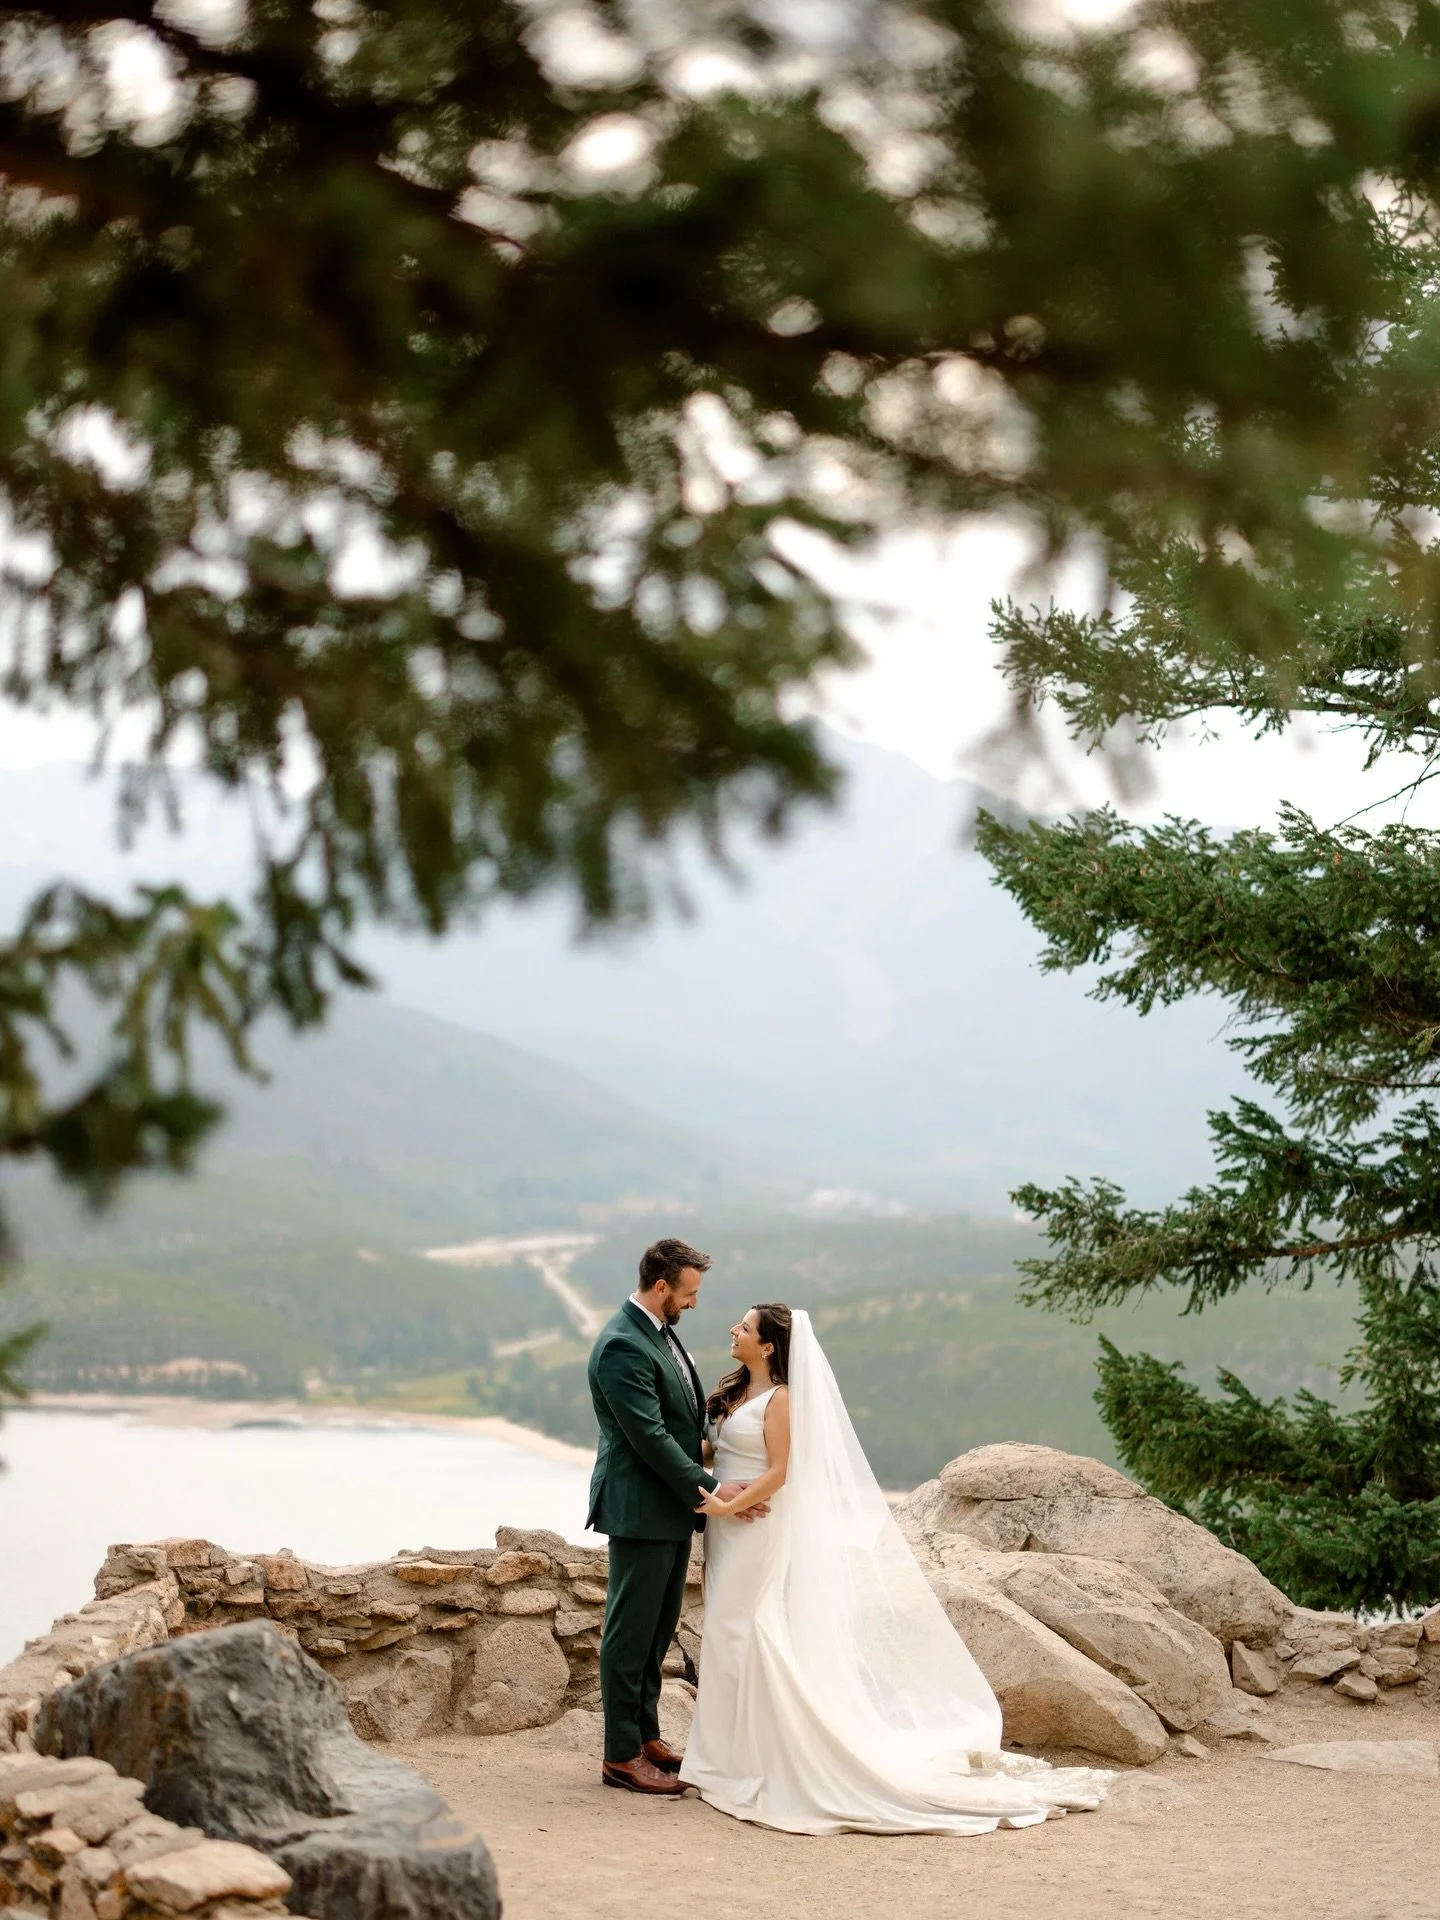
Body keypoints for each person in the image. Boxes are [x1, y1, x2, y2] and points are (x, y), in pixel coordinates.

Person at [679, 1302, 1112, 1834]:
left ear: (767, 1345)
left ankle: (750, 1760)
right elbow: (716, 1450)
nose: (733, 1330)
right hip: (727, 1529)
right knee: (727, 1633)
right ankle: (724, 1755)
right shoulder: (738, 1391)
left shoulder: (782, 1399)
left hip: (754, 1528)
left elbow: (782, 1471)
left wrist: (726, 1506)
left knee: (743, 1630)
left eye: (743, 1327)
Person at [585, 1237, 764, 1796]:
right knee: (629, 1633)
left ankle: (647, 1738)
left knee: (658, 1629)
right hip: (640, 1507)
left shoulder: (658, 1334)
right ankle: (620, 1756)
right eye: (688, 1293)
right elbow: (648, 1437)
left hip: (669, 1506)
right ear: (660, 1286)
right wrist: (716, 1489)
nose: (693, 1303)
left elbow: (680, 1424)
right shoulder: (621, 1345)